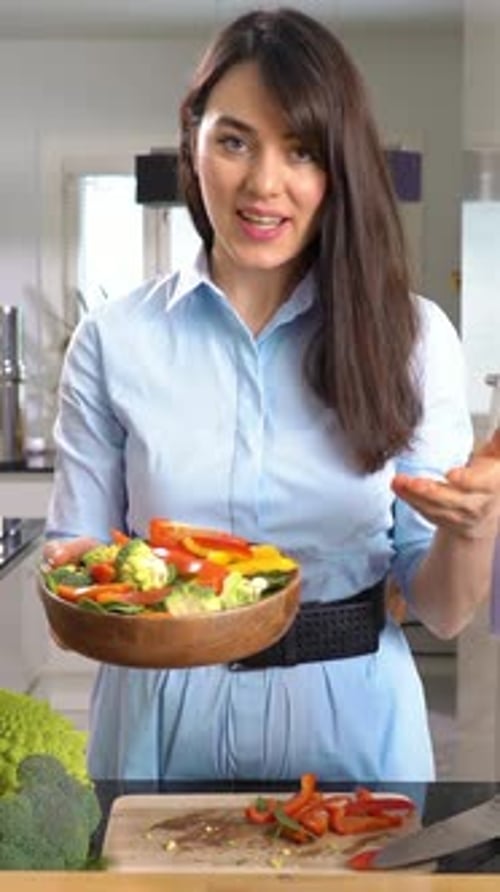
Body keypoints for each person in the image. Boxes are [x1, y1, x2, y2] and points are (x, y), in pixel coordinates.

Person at [44, 7, 500, 783]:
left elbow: (446, 610)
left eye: (303, 151)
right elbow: (74, 569)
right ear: (192, 140)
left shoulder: (413, 336)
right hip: (157, 732)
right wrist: (94, 574)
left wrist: (473, 530)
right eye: (234, 141)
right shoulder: (113, 341)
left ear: (339, 168)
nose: (264, 184)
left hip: (354, 732)